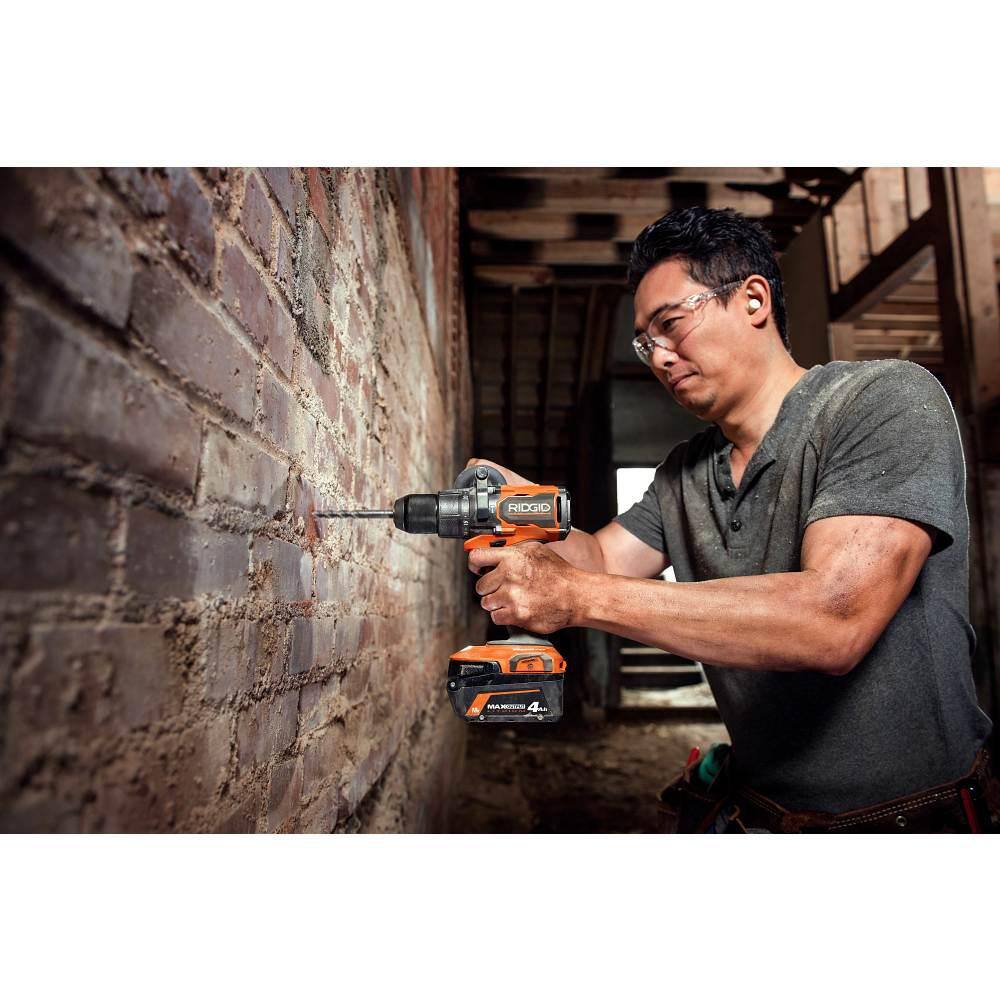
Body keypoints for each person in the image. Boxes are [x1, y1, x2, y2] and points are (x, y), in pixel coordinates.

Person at [466, 205, 995, 833]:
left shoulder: (881, 402)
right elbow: (603, 559)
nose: (659, 357)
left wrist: (575, 596)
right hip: (763, 814)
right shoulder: (685, 472)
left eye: (671, 324)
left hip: (913, 821)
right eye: (645, 342)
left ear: (752, 300)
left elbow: (835, 619)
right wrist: (526, 520)